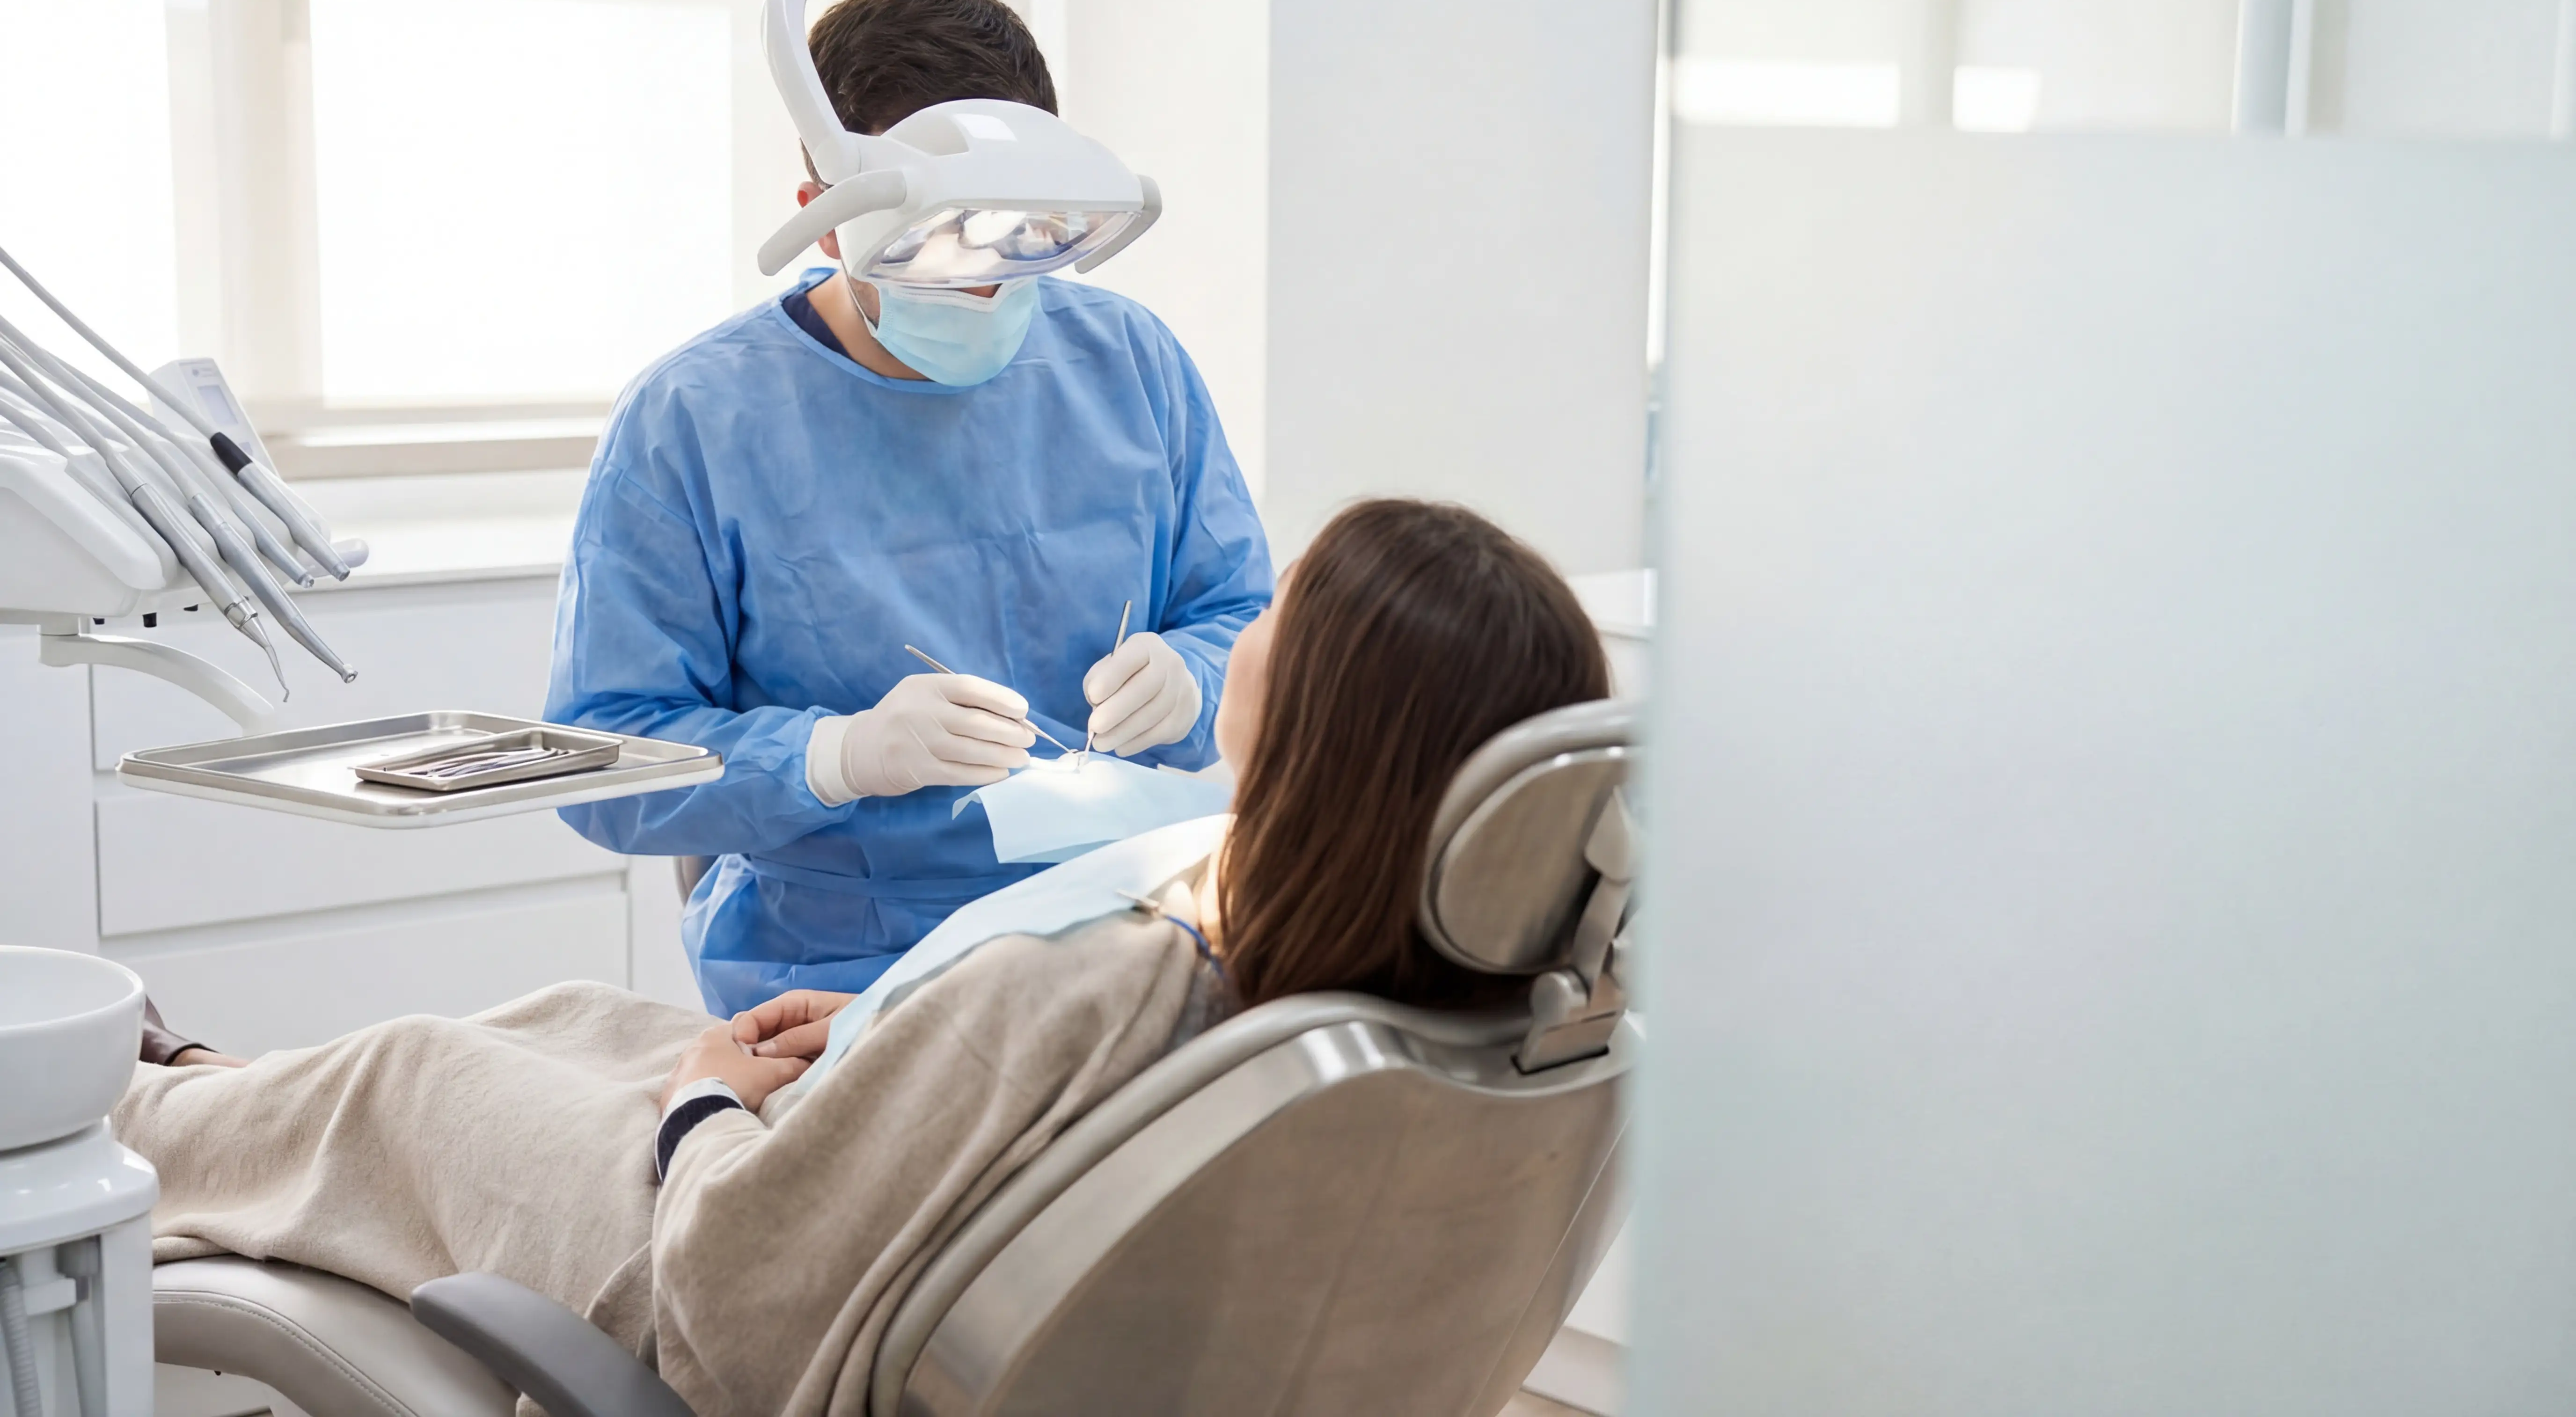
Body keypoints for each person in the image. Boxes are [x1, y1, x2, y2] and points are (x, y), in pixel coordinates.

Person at [120, 500, 1607, 1417]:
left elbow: (738, 1293)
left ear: (1331, 730)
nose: (1247, 618)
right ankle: (233, 1087)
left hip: (723, 1284)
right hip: (895, 1191)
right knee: (577, 1014)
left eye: (1281, 613)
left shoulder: (1111, 979)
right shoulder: (1441, 987)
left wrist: (706, 1103)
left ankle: (131, 1116)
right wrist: (905, 1031)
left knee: (412, 1076)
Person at [542, 0, 1273, 1016]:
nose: (987, 284)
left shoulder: (1129, 362)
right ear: (827, 222)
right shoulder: (694, 421)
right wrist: (834, 757)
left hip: (1131, 934)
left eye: (1026, 235)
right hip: (841, 976)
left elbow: (1244, 618)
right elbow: (605, 756)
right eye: (943, 241)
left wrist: (1198, 677)